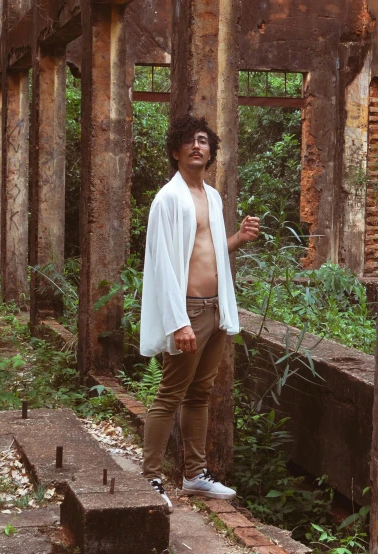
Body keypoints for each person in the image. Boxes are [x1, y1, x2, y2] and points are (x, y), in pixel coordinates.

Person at [139, 114, 260, 511]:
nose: (197, 146)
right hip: (188, 311)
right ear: (175, 151)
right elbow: (162, 264)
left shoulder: (212, 196)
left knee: (200, 394)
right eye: (190, 141)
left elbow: (206, 252)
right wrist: (178, 321)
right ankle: (151, 479)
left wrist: (238, 239)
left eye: (204, 141)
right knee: (170, 393)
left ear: (211, 151)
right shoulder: (168, 198)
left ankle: (194, 476)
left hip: (216, 307)